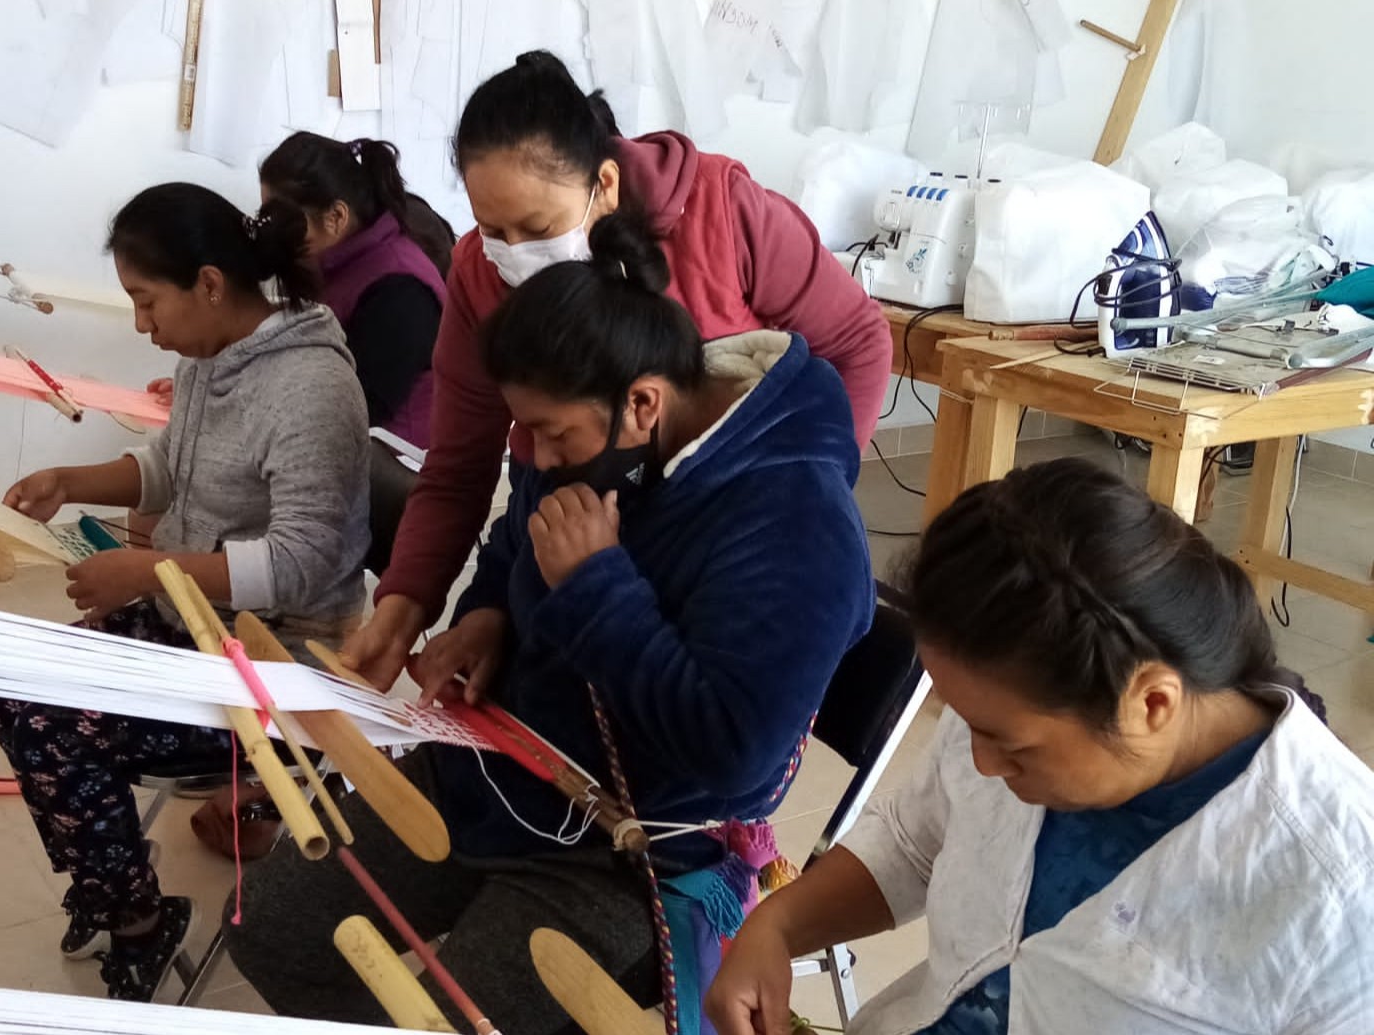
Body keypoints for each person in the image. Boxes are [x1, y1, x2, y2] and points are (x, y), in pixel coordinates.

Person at [225, 214, 875, 1034]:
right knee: (274, 932)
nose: (534, 453)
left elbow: (736, 757)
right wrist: (489, 613)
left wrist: (597, 585)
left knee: (448, 1017)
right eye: (524, 429)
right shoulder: (605, 433)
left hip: (627, 852)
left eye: (552, 433)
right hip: (501, 767)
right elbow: (517, 534)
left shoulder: (799, 525)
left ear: (642, 403)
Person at [707, 459, 1371, 1035]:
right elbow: (915, 839)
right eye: (966, 724)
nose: (980, 763)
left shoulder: (1340, 900)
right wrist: (778, 927)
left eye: (1009, 744)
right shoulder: (1010, 702)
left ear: (1151, 703)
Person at [344, 49, 893, 690]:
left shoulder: (720, 210)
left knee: (661, 693)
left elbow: (858, 340)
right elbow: (461, 467)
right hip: (566, 521)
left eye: (537, 227)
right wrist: (405, 609)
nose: (513, 255)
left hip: (707, 526)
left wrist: (808, 493)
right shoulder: (478, 271)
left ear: (604, 185)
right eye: (493, 230)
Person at [0, 182, 371, 1002]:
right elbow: (173, 465)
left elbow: (304, 559)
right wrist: (73, 479)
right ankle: (112, 874)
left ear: (209, 283)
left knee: (58, 728)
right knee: (4, 682)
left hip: (278, 668)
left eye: (145, 299)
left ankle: (136, 915)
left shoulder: (311, 387)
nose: (139, 324)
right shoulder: (209, 358)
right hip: (192, 626)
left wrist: (147, 572)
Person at [149, 133, 449, 449]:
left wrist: (225, 406)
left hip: (391, 464)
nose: (275, 232)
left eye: (286, 220)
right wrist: (209, 393)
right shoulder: (330, 264)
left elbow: (353, 407)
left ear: (336, 217)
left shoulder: (401, 290)